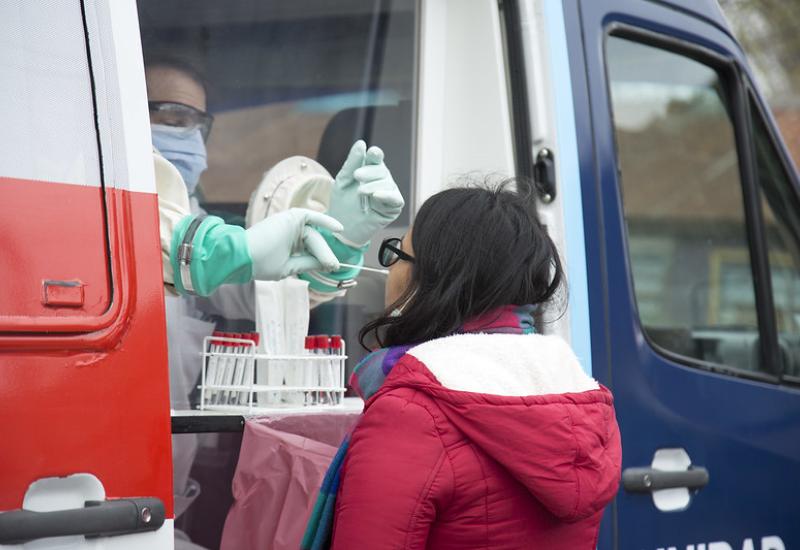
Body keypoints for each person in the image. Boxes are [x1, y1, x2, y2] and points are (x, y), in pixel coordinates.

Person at [303, 182, 622, 549]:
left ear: (431, 278)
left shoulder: (410, 413)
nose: (389, 272)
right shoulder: (578, 397)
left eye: (397, 255)